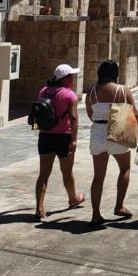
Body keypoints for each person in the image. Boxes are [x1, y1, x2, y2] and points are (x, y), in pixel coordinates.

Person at [86, 59, 138, 225]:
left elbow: (90, 114)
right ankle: (119, 206)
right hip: (118, 131)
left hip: (97, 133)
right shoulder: (122, 89)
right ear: (115, 73)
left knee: (98, 176)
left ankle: (96, 215)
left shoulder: (92, 91)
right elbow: (135, 112)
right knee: (125, 168)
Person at [35, 63, 85, 221]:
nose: (73, 79)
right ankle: (73, 198)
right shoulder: (70, 95)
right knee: (67, 172)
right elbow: (74, 118)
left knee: (43, 174)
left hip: (45, 136)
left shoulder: (43, 91)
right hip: (64, 136)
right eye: (71, 77)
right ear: (65, 79)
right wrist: (75, 140)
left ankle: (39, 208)